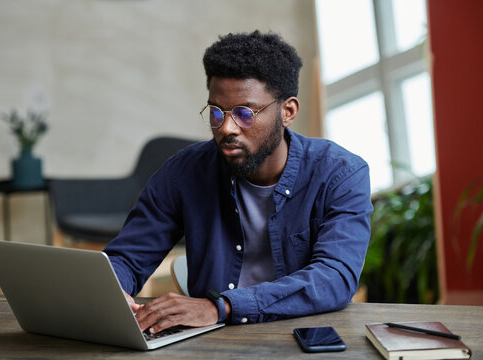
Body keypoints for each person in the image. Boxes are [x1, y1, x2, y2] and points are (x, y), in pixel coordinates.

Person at [104, 30, 372, 335]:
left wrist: (220, 306)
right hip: (211, 341)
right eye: (217, 112)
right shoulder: (183, 173)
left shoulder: (340, 173)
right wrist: (112, 291)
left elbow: (334, 277)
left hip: (302, 337)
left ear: (288, 111)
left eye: (245, 113)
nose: (226, 128)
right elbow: (127, 257)